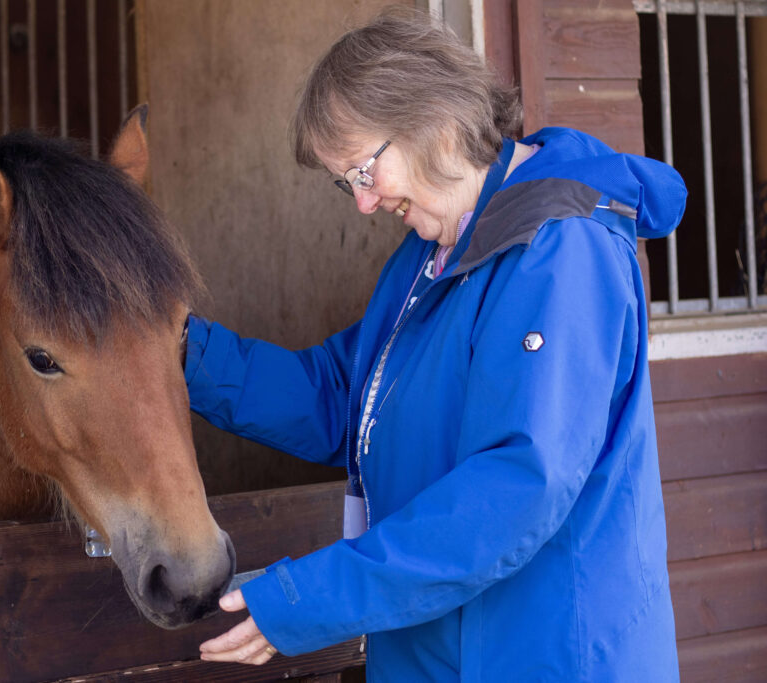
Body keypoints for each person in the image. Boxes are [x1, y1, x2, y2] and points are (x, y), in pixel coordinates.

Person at [190, 8, 685, 681]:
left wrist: (309, 598)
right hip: (438, 654)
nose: (361, 204)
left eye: (363, 172)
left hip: (538, 657)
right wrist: (183, 352)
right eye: (347, 184)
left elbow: (517, 487)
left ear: (433, 120)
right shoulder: (428, 255)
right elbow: (344, 397)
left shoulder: (561, 249)